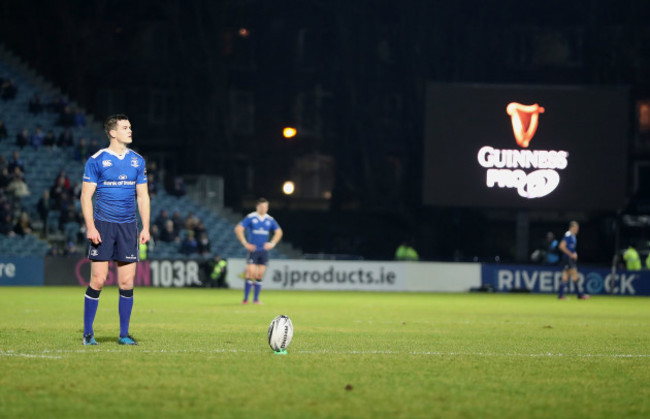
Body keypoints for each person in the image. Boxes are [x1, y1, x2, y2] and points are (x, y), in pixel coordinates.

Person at [80, 114, 150, 346]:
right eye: (125, 127)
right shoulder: (97, 160)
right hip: (103, 225)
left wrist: (146, 227)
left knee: (127, 283)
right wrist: (91, 227)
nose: (130, 130)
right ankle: (88, 333)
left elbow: (142, 195)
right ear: (112, 132)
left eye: (130, 127)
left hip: (128, 227)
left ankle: (124, 335)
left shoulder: (137, 161)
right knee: (98, 280)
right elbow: (86, 196)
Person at [234, 197, 283, 304]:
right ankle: (245, 299)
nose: (264, 208)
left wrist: (272, 243)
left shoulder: (269, 219)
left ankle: (256, 299)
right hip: (254, 250)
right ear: (257, 207)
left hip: (263, 251)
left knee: (260, 274)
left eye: (265, 207)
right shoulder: (251, 217)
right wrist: (245, 243)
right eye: (261, 206)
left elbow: (279, 232)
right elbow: (238, 229)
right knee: (250, 273)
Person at [557, 221, 589, 300]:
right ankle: (580, 295)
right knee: (575, 275)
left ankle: (560, 295)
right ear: (571, 228)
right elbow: (561, 246)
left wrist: (574, 253)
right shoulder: (568, 235)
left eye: (577, 228)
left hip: (568, 258)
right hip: (568, 258)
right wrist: (571, 254)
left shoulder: (573, 236)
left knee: (565, 276)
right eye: (575, 228)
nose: (577, 230)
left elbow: (570, 248)